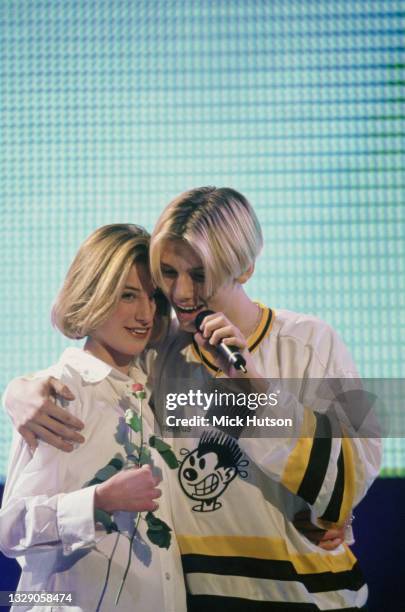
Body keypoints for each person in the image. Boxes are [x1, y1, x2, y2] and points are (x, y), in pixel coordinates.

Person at [4, 187, 381, 610]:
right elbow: (93, 370)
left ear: (245, 267)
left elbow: (357, 471)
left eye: (199, 274)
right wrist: (18, 390)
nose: (180, 293)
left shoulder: (313, 340)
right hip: (197, 595)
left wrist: (254, 389)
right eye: (168, 272)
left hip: (303, 595)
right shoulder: (160, 353)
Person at [0, 224, 186, 612]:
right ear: (93, 295)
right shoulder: (62, 393)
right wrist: (97, 502)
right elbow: (11, 528)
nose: (145, 313)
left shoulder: (146, 390)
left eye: (152, 298)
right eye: (128, 296)